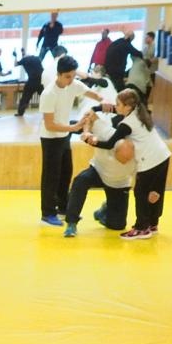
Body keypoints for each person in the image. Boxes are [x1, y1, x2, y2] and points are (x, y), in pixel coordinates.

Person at [84, 87, 172, 238]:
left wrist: (90, 140)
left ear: (127, 106)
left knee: (141, 192)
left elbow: (110, 144)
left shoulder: (126, 124)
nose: (115, 106)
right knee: (154, 192)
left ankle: (141, 228)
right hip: (163, 155)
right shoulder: (139, 111)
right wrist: (97, 108)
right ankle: (153, 224)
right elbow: (116, 110)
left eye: (118, 104)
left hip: (150, 161)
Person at [38, 56, 104, 227]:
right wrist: (73, 128)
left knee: (65, 172)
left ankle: (63, 208)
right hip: (50, 138)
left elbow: (93, 94)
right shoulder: (49, 94)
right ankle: (47, 213)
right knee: (51, 177)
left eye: (73, 76)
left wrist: (104, 101)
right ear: (59, 74)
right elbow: (50, 125)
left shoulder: (73, 84)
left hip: (63, 135)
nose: (71, 79)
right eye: (67, 76)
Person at [63, 109, 137, 237]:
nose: (124, 162)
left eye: (127, 159)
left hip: (119, 183)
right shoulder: (106, 133)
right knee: (80, 180)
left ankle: (105, 209)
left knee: (117, 225)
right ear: (115, 150)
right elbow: (90, 115)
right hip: (98, 171)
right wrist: (86, 131)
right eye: (121, 158)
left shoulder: (139, 153)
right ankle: (71, 223)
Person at [124, 33, 157, 102]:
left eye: (147, 37)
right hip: (143, 71)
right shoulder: (145, 48)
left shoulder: (155, 47)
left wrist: (148, 62)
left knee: (148, 87)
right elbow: (142, 58)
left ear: (151, 38)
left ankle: (145, 102)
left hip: (151, 71)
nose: (145, 39)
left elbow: (156, 58)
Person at [13, 49, 44, 118]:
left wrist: (15, 56)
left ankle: (20, 113)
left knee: (25, 98)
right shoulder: (37, 58)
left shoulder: (24, 60)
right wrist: (23, 53)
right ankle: (50, 111)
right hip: (40, 81)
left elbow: (15, 64)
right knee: (44, 97)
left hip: (31, 81)